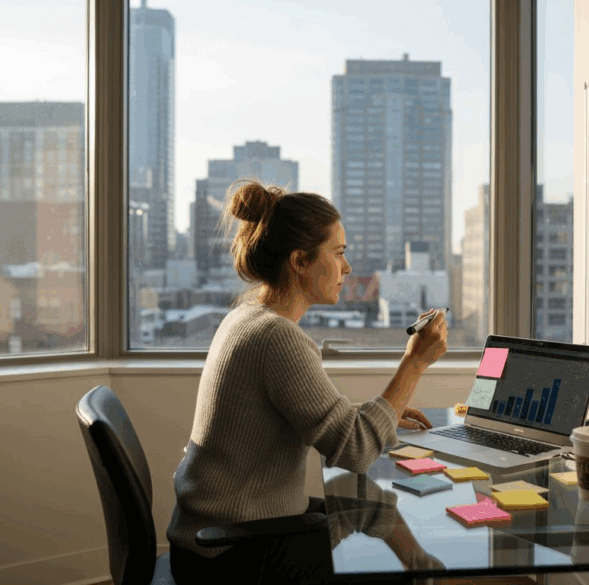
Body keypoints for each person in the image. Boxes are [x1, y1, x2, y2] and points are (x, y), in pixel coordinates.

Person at [167, 180, 449, 584]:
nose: (347, 268)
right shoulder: (276, 337)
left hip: (212, 537)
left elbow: (295, 415)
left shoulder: (246, 318)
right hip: (231, 555)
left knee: (371, 501)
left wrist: (386, 412)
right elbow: (355, 451)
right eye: (338, 254)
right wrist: (415, 364)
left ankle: (426, 573)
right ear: (300, 261)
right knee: (369, 534)